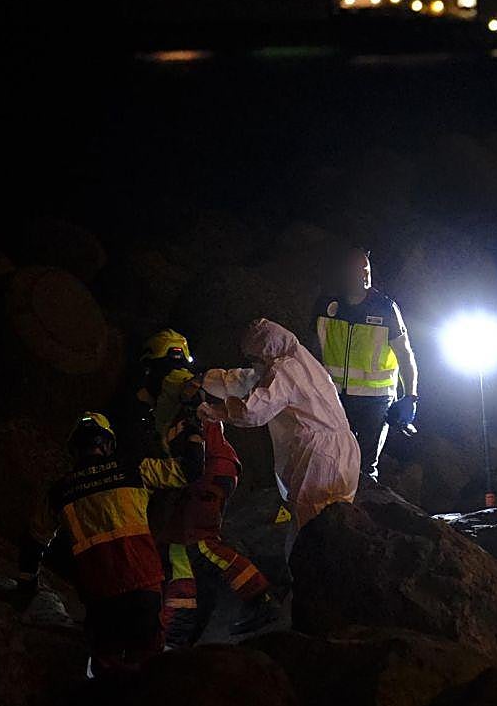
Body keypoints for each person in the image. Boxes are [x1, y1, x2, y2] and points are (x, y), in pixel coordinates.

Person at [21, 410, 204, 677]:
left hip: (100, 594)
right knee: (148, 670)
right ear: (107, 444)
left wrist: (26, 585)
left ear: (74, 448)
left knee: (105, 671)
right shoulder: (135, 470)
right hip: (143, 586)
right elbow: (190, 469)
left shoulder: (60, 492)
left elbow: (34, 542)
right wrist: (193, 429)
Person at [202, 318, 362, 550]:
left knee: (312, 528)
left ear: (264, 351)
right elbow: (248, 380)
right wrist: (206, 379)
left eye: (253, 358)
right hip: (345, 450)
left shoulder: (283, 369)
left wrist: (220, 412)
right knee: (337, 522)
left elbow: (252, 411)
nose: (254, 364)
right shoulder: (304, 362)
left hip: (319, 458)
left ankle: (306, 579)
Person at [154, 373, 282, 646]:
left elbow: (192, 453)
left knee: (200, 542)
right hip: (212, 472)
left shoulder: (187, 410)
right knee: (178, 547)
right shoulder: (183, 409)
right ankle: (178, 624)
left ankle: (260, 597)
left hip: (208, 473)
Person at [314, 246, 420, 482]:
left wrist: (410, 396)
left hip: (376, 400)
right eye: (357, 270)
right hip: (334, 397)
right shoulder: (326, 306)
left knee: (365, 468)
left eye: (366, 270)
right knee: (333, 461)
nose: (363, 276)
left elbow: (405, 355)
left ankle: (362, 512)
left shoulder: (386, 308)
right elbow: (312, 351)